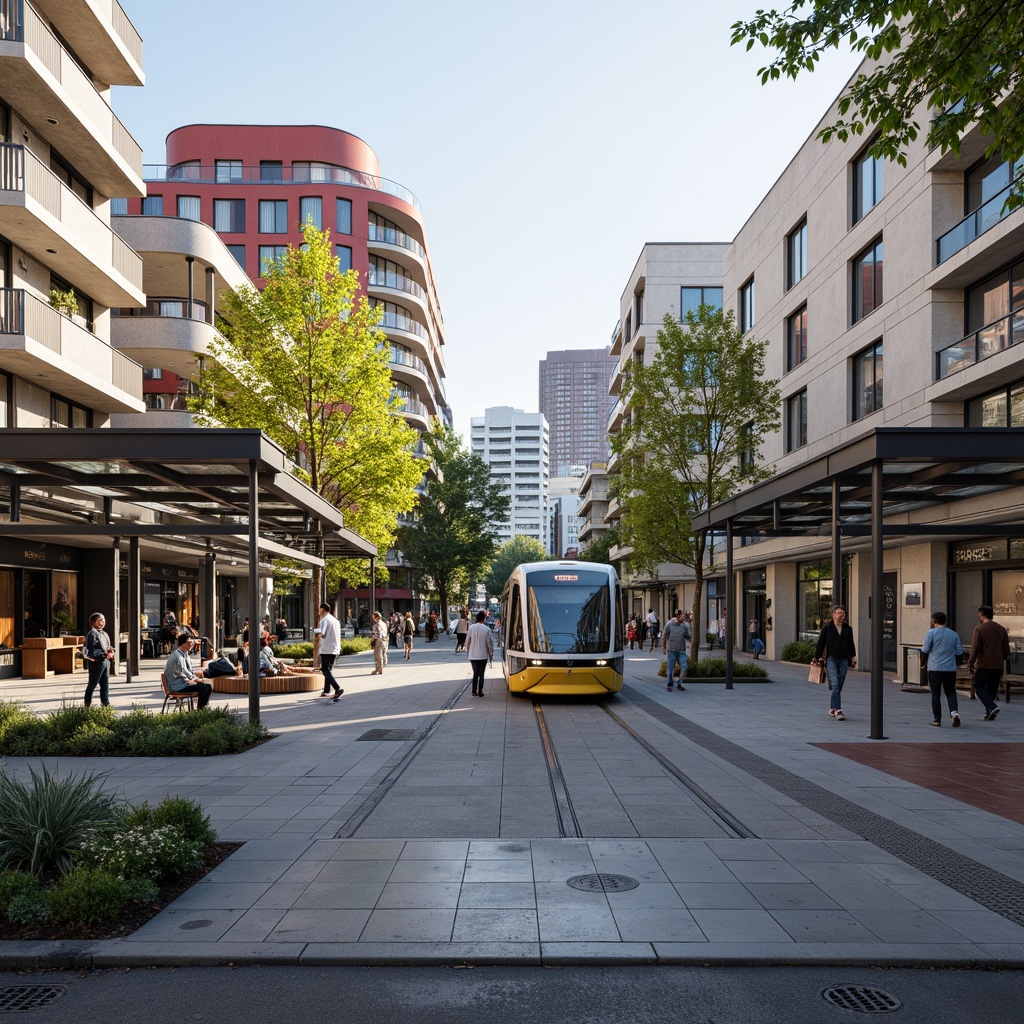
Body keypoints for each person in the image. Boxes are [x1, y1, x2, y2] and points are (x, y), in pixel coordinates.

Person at [813, 605, 857, 721]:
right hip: (831, 659)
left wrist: (853, 657)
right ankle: (838, 710)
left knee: (839, 684)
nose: (842, 615)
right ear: (833, 614)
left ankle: (832, 708)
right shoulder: (827, 628)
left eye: (844, 613)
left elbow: (851, 644)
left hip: (843, 659)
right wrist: (817, 657)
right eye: (840, 613)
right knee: (836, 685)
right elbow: (820, 643)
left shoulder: (848, 628)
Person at [968, 604, 1010, 721]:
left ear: (981, 614)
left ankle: (991, 706)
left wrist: (970, 663)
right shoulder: (1001, 629)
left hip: (983, 663)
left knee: (978, 686)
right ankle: (990, 712)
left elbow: (975, 649)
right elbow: (1006, 649)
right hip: (998, 664)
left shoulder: (979, 629)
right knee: (992, 689)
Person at [920, 610, 963, 727]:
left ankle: (937, 719)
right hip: (950, 668)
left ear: (934, 621)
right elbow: (959, 651)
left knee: (935, 694)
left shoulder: (931, 633)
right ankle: (954, 713)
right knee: (950, 692)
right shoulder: (954, 634)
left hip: (935, 668)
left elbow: (925, 649)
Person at [164, 633, 212, 709]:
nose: (192, 644)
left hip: (183, 683)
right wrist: (196, 680)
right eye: (190, 642)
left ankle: (202, 709)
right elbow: (183, 673)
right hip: (178, 685)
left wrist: (196, 679)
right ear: (183, 644)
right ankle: (200, 710)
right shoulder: (178, 656)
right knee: (202, 687)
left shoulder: (184, 654)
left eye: (192, 642)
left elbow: (189, 671)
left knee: (208, 687)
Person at [313, 602, 344, 701]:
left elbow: (323, 633)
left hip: (326, 648)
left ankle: (337, 688)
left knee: (325, 669)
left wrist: (315, 631)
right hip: (335, 648)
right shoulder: (335, 620)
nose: (319, 612)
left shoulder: (324, 620)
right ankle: (326, 690)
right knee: (328, 670)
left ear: (323, 609)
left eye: (319, 610)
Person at [83, 611, 115, 707]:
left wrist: (111, 651)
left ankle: (106, 704)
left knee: (105, 685)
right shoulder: (92, 634)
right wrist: (103, 654)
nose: (103, 621)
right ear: (94, 622)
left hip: (105, 662)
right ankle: (87, 705)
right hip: (97, 663)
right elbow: (90, 650)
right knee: (92, 684)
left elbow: (108, 646)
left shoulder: (104, 633)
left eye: (104, 619)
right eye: (101, 620)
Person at [466, 610, 494, 696]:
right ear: (484, 619)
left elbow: (468, 641)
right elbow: (489, 644)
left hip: (473, 655)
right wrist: (491, 655)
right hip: (483, 655)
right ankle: (480, 691)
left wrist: (468, 651)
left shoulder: (471, 628)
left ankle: (474, 691)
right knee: (481, 674)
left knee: (475, 673)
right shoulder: (487, 629)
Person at [662, 608, 691, 691]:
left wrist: (690, 623)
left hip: (681, 650)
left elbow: (688, 636)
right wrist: (664, 648)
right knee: (671, 668)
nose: (684, 618)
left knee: (684, 666)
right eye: (682, 617)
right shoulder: (669, 624)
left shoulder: (684, 626)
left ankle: (679, 683)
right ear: (678, 616)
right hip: (671, 650)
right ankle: (670, 683)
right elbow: (664, 636)